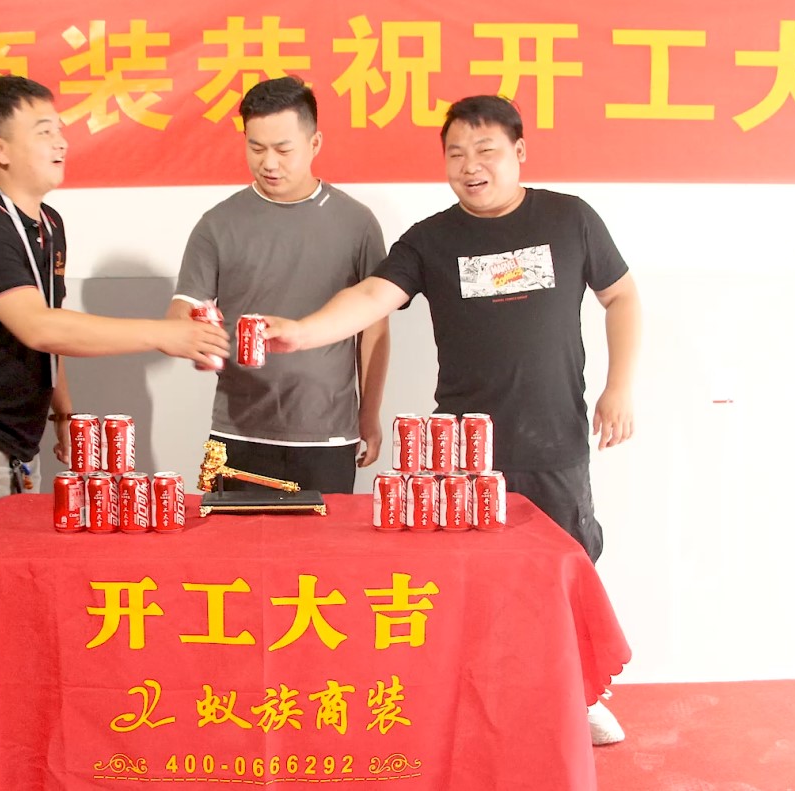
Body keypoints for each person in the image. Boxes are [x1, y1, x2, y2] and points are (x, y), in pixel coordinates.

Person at [260, 94, 641, 745]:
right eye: (456, 154)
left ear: (519, 153)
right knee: (467, 583)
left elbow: (622, 295)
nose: (470, 166)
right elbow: (372, 295)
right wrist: (303, 331)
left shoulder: (569, 218)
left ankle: (580, 695)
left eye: (486, 150)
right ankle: (473, 698)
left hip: (552, 440)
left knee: (567, 572)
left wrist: (620, 388)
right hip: (460, 450)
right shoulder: (432, 239)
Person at [0, 75, 228, 791]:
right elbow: (39, 326)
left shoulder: (46, 224)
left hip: (14, 441)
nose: (63, 140)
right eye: (44, 129)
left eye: (61, 127)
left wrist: (63, 413)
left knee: (4, 606)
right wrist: (165, 335)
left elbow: (46, 333)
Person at [167, 75, 390, 494]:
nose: (269, 163)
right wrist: (193, 334)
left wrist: (370, 414)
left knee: (325, 540)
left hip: (327, 433)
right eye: (256, 148)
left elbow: (374, 328)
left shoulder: (356, 223)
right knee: (233, 539)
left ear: (314, 143)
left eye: (283, 149)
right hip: (238, 431)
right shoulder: (218, 224)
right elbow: (182, 311)